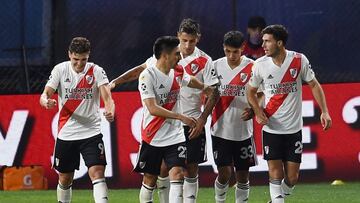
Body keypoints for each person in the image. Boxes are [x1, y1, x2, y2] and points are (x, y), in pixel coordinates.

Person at [110, 18, 219, 203]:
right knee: (155, 175)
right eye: (184, 40)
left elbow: (193, 81)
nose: (187, 45)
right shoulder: (158, 63)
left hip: (188, 122)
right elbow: (145, 87)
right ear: (178, 38)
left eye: (191, 41)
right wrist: (116, 82)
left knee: (184, 169)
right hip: (159, 128)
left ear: (198, 39)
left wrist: (202, 112)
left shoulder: (202, 61)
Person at [247, 25, 332, 203]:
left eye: (267, 41)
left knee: (292, 178)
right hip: (271, 129)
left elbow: (314, 84)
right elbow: (250, 91)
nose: (263, 45)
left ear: (279, 43)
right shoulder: (260, 65)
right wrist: (257, 111)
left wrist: (324, 111)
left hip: (294, 129)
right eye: (263, 41)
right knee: (275, 173)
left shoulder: (299, 60)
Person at [134, 36, 213, 203]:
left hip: (175, 135)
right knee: (150, 179)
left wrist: (204, 86)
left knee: (177, 174)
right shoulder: (147, 76)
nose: (180, 56)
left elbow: (187, 80)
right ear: (165, 55)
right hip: (153, 135)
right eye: (177, 53)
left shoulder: (177, 71)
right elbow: (152, 108)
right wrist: (180, 116)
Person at [40, 37, 115, 203]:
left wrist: (110, 111)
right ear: (69, 55)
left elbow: (108, 98)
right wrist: (46, 101)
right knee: (65, 179)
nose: (79, 64)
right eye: (76, 59)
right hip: (67, 133)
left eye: (84, 60)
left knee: (97, 172)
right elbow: (45, 94)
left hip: (92, 132)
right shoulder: (60, 70)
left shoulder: (96, 71)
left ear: (88, 56)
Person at [211, 31, 257, 203]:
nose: (231, 55)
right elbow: (207, 93)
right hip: (220, 130)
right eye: (228, 51)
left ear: (243, 48)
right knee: (225, 173)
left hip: (244, 131)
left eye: (235, 52)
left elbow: (260, 94)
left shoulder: (253, 67)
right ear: (223, 48)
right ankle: (220, 200)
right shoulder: (214, 66)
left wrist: (254, 109)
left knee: (243, 175)